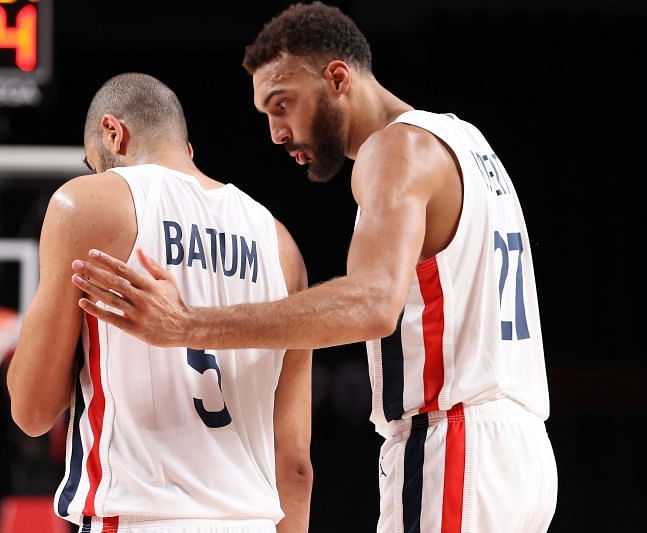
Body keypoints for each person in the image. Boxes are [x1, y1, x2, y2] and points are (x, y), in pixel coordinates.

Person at [71, 2, 558, 532]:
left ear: (338, 78)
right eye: (266, 115)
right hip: (524, 452)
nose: (277, 132)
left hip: (456, 443)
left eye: (283, 104)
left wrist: (188, 325)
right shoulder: (466, 141)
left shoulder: (393, 149)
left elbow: (373, 305)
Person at [7, 72, 313, 533]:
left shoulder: (88, 203)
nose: (97, 175)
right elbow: (295, 465)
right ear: (186, 151)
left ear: (114, 132)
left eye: (96, 164)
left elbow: (31, 411)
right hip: (253, 521)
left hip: (139, 516)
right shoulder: (280, 243)